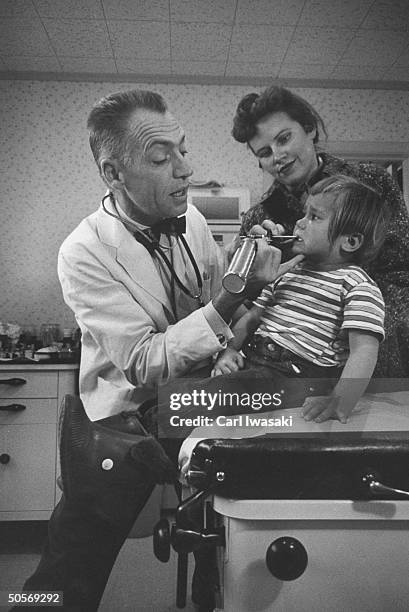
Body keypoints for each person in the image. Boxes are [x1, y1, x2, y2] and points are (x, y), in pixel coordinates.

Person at [17, 89, 300, 612]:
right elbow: (146, 360)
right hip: (116, 421)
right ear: (113, 173)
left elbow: (219, 304)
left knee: (217, 535)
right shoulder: (82, 252)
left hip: (183, 405)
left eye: (183, 149)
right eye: (160, 158)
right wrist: (233, 296)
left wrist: (255, 280)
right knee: (68, 571)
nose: (185, 170)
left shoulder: (190, 218)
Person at [232, 84, 409, 378]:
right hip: (278, 372)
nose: (277, 155)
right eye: (265, 152)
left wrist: (358, 336)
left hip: (377, 363)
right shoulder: (258, 218)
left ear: (310, 129)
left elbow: (401, 273)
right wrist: (248, 273)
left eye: (284, 138)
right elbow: (251, 307)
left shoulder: (372, 184)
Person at [212, 175, 386, 423]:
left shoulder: (357, 285)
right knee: (194, 383)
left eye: (314, 217)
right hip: (256, 365)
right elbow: (251, 319)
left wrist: (340, 400)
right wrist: (229, 351)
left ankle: (150, 429)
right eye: (304, 214)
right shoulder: (289, 271)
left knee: (210, 398)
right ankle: (149, 422)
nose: (299, 223)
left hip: (298, 377)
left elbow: (364, 351)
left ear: (350, 241)